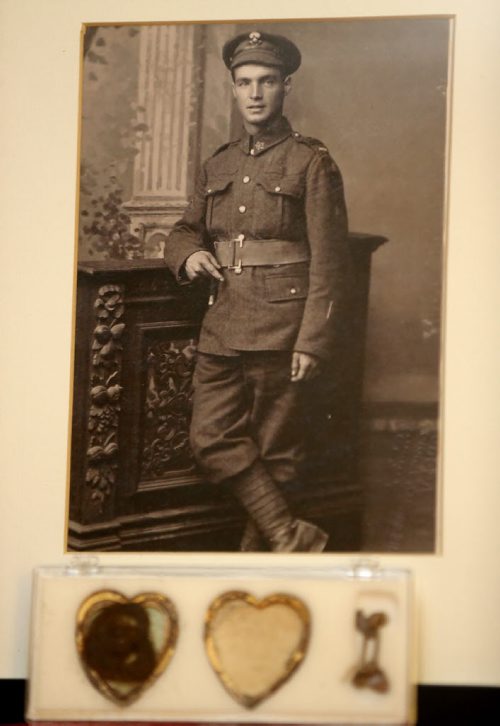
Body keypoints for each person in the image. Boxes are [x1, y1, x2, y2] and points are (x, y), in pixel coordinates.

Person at [164, 30, 350, 552]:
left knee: (277, 451)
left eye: (266, 81)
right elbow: (183, 230)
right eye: (244, 82)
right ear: (233, 88)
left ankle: (262, 555)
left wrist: (312, 340)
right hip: (222, 322)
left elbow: (331, 262)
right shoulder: (217, 164)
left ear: (286, 86)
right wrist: (189, 254)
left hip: (283, 325)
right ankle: (290, 535)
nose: (254, 93)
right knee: (211, 439)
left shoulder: (310, 162)